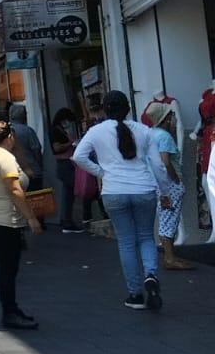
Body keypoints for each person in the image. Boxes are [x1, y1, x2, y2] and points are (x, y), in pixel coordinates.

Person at [73, 90, 172, 311]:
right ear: (128, 108)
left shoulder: (96, 131)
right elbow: (158, 166)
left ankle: (135, 294)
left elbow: (78, 156)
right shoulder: (144, 131)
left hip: (113, 190)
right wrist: (164, 192)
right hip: (144, 189)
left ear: (105, 109)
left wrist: (101, 172)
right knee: (146, 236)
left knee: (126, 241)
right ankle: (151, 275)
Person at [0, 121, 41, 330]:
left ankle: (11, 309)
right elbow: (14, 190)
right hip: (6, 220)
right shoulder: (4, 158)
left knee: (7, 268)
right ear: (10, 137)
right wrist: (31, 218)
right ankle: (9, 312)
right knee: (8, 269)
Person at [143, 100, 195, 271]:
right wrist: (177, 181)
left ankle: (170, 256)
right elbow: (166, 161)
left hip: (158, 183)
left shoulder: (150, 134)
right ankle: (170, 258)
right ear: (165, 118)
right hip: (168, 183)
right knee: (169, 219)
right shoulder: (164, 136)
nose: (173, 119)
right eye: (171, 116)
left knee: (166, 218)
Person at [7, 104, 46, 224]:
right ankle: (37, 221)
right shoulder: (28, 131)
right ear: (24, 116)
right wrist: (39, 167)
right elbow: (36, 150)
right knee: (35, 198)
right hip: (31, 170)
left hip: (12, 170)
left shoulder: (5, 131)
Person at [48, 108, 81, 232]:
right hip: (64, 163)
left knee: (67, 194)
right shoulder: (56, 131)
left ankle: (65, 220)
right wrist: (70, 143)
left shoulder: (58, 130)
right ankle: (67, 221)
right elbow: (56, 148)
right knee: (69, 194)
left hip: (64, 163)